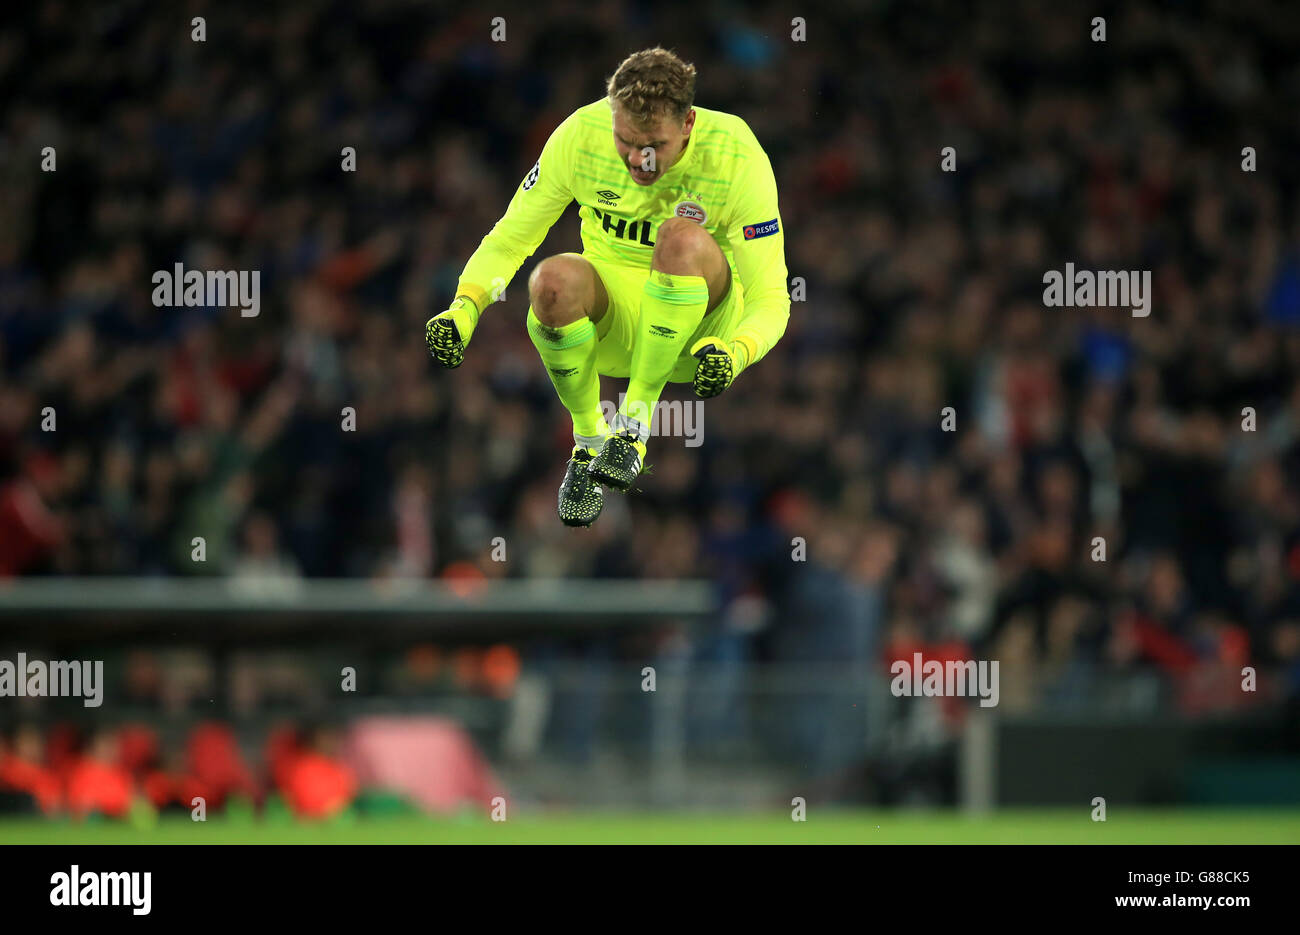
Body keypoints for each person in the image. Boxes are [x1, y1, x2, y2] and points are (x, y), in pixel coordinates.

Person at [427, 47, 790, 526]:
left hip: (699, 335)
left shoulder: (735, 153)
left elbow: (771, 296)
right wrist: (465, 307)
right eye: (626, 140)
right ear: (612, 117)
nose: (640, 160)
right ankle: (591, 443)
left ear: (688, 125)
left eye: (655, 145)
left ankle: (635, 424)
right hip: (614, 325)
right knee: (551, 281)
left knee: (678, 238)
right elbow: (511, 237)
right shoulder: (581, 135)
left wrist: (739, 351)